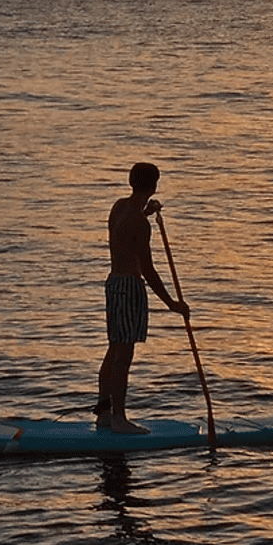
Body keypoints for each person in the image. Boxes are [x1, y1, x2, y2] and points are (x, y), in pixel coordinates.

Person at [94, 162, 189, 434]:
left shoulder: (120, 207)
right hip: (129, 287)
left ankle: (104, 414)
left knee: (114, 350)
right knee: (123, 355)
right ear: (153, 185)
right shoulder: (139, 222)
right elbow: (147, 268)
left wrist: (147, 212)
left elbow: (128, 230)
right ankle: (119, 419)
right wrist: (172, 304)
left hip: (113, 284)